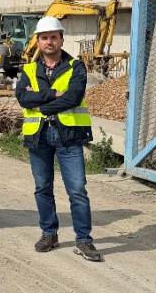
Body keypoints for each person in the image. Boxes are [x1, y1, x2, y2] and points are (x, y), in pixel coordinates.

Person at [15, 17, 101, 262]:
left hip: (68, 136)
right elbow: (22, 98)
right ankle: (49, 233)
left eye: (54, 37)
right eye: (44, 37)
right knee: (42, 187)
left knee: (77, 190)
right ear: (38, 41)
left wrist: (40, 102)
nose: (49, 41)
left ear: (62, 39)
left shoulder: (76, 67)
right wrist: (53, 94)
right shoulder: (29, 69)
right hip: (39, 136)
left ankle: (84, 240)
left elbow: (73, 98)